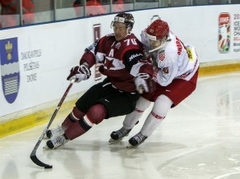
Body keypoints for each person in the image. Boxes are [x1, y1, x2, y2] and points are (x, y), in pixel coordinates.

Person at [45, 12, 153, 149]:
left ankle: (64, 138)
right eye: (115, 27)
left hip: (127, 96)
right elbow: (92, 53)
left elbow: (139, 64)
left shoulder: (131, 47)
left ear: (129, 28)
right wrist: (83, 67)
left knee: (96, 112)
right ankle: (62, 128)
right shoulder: (107, 40)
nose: (117, 31)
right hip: (110, 84)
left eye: (121, 28)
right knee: (82, 105)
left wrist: (143, 75)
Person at [109, 18, 199, 147]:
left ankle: (143, 134)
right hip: (163, 69)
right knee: (143, 99)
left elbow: (164, 81)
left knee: (162, 102)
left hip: (184, 75)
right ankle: (126, 127)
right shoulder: (148, 35)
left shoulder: (169, 54)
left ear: (164, 38)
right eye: (149, 37)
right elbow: (143, 45)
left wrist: (149, 71)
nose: (151, 42)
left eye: (154, 40)